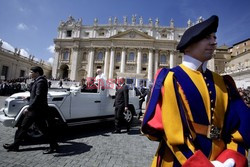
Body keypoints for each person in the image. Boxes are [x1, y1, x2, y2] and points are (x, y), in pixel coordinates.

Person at [141, 15, 250, 167]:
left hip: (222, 159)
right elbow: (174, 135)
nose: (214, 42)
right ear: (188, 46)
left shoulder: (223, 82)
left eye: (214, 37)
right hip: (180, 161)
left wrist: (231, 158)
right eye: (207, 38)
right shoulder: (172, 78)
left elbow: (239, 127)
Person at [3, 66, 59, 154]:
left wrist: (29, 108)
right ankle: (15, 145)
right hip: (36, 110)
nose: (30, 73)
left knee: (29, 127)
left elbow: (39, 96)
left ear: (37, 73)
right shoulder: (38, 81)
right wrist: (28, 97)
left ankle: (54, 146)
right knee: (26, 127)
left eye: (31, 72)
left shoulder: (41, 81)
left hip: (37, 110)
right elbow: (35, 95)